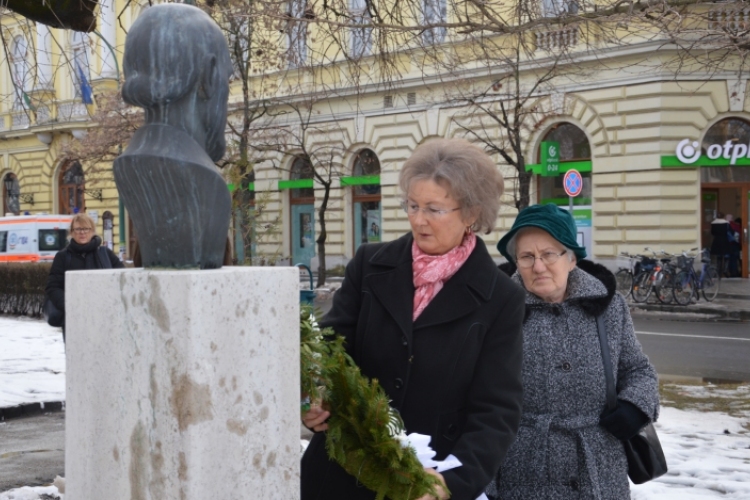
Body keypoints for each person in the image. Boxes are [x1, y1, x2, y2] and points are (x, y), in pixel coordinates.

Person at [301, 138, 526, 500]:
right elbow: (327, 349)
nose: (418, 220)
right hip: (340, 474)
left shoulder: (501, 297)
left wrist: (451, 481)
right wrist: (313, 397)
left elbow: (496, 410)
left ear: (470, 213)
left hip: (422, 482)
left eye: (434, 209)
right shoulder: (370, 266)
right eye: (413, 205)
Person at [486, 204, 660, 500]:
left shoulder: (608, 307)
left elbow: (637, 370)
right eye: (527, 256)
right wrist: (484, 484)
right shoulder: (498, 311)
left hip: (599, 471)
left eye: (549, 254)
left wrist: (636, 407)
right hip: (524, 472)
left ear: (571, 258)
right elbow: (479, 401)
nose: (538, 266)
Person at [45, 213, 124, 342]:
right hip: (74, 318)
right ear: (72, 232)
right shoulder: (63, 256)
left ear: (92, 230)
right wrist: (70, 305)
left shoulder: (105, 253)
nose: (82, 233)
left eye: (86, 229)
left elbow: (121, 278)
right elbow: (53, 287)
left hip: (104, 316)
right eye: (78, 229)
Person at [710, 212, 731, 277]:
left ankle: (719, 271)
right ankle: (725, 270)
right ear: (723, 216)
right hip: (724, 240)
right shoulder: (726, 223)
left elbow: (712, 233)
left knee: (719, 257)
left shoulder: (713, 223)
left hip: (716, 241)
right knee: (726, 255)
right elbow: (728, 231)